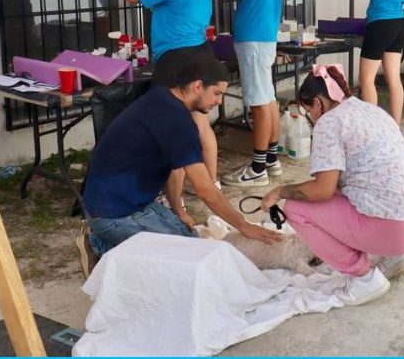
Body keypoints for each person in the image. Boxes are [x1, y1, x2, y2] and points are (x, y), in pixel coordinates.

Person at [81, 50, 281, 269]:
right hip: (112, 214)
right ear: (198, 86)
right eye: (217, 93)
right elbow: (205, 189)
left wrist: (178, 210)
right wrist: (244, 226)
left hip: (128, 202)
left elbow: (173, 167)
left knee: (190, 237)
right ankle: (100, 246)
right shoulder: (178, 122)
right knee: (185, 257)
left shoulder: (163, 96)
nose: (219, 101)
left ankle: (109, 241)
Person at [262, 64, 404, 306]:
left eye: (308, 110)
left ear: (318, 103)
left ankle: (363, 278)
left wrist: (280, 191)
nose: (309, 117)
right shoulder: (370, 110)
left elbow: (322, 190)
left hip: (394, 228)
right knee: (352, 191)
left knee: (295, 208)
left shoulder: (329, 122)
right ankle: (398, 256)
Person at [125, 0, 222, 193]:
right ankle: (212, 183)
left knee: (173, 128)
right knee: (201, 123)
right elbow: (167, 0)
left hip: (175, 61)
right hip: (202, 55)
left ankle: (174, 198)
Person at [209, 0, 285, 187]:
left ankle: (257, 169)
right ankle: (271, 159)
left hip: (253, 35)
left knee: (258, 101)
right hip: (263, 33)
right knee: (268, 98)